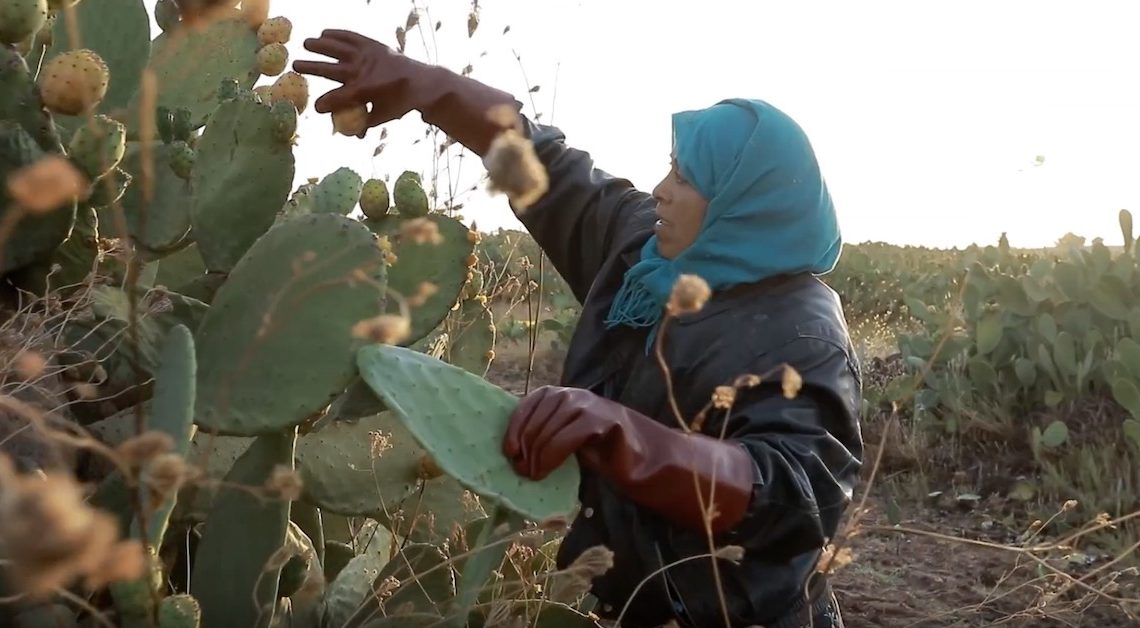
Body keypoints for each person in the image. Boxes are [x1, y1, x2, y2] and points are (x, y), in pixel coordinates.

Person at [295, 29, 863, 628]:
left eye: (687, 180)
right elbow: (548, 169)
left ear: (744, 200)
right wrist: (427, 87)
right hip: (601, 602)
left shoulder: (804, 335)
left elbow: (790, 494)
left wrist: (623, 438)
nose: (662, 192)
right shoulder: (645, 253)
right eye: (670, 169)